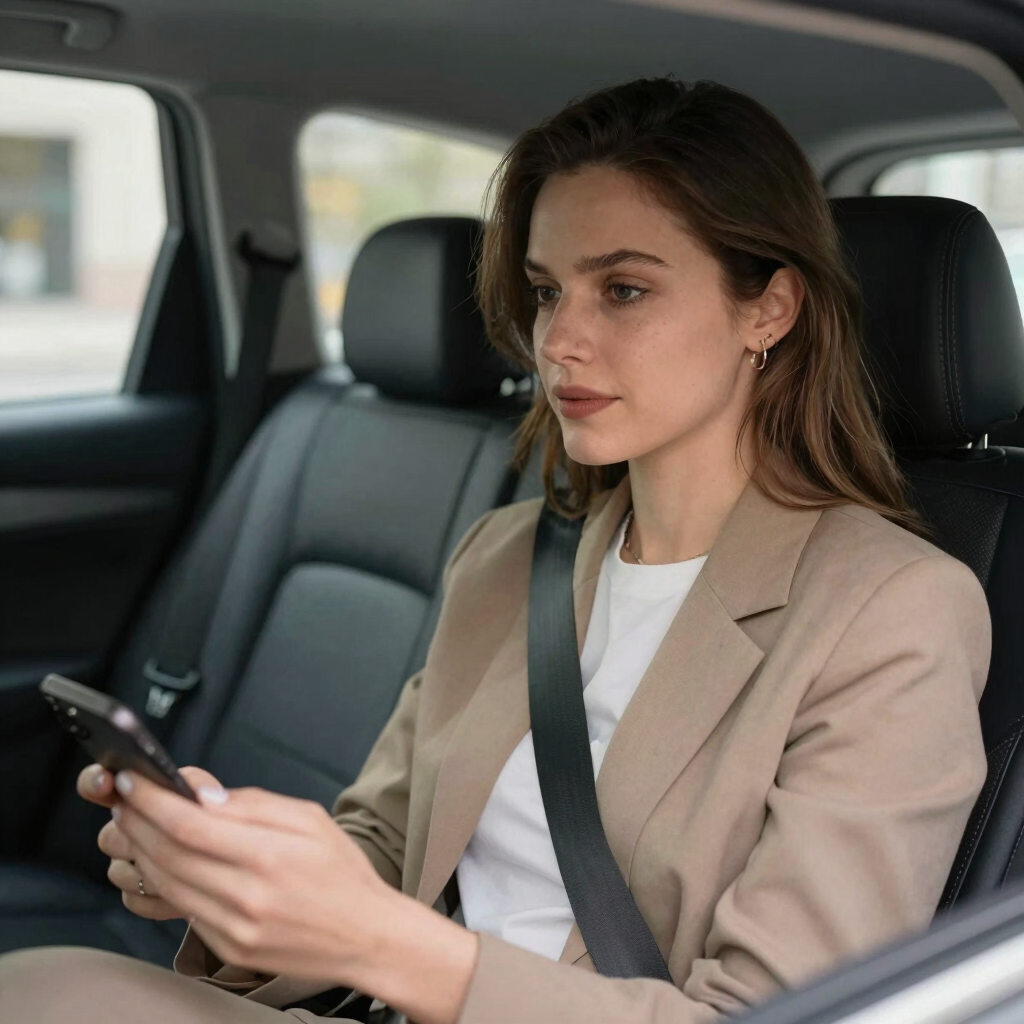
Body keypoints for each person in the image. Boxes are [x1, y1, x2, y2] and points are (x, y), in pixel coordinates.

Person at [0, 77, 989, 1024]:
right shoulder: (510, 555)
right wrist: (239, 884)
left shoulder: (893, 612)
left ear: (768, 308)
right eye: (549, 290)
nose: (558, 340)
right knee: (44, 989)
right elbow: (384, 851)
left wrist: (384, 942)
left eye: (626, 290)